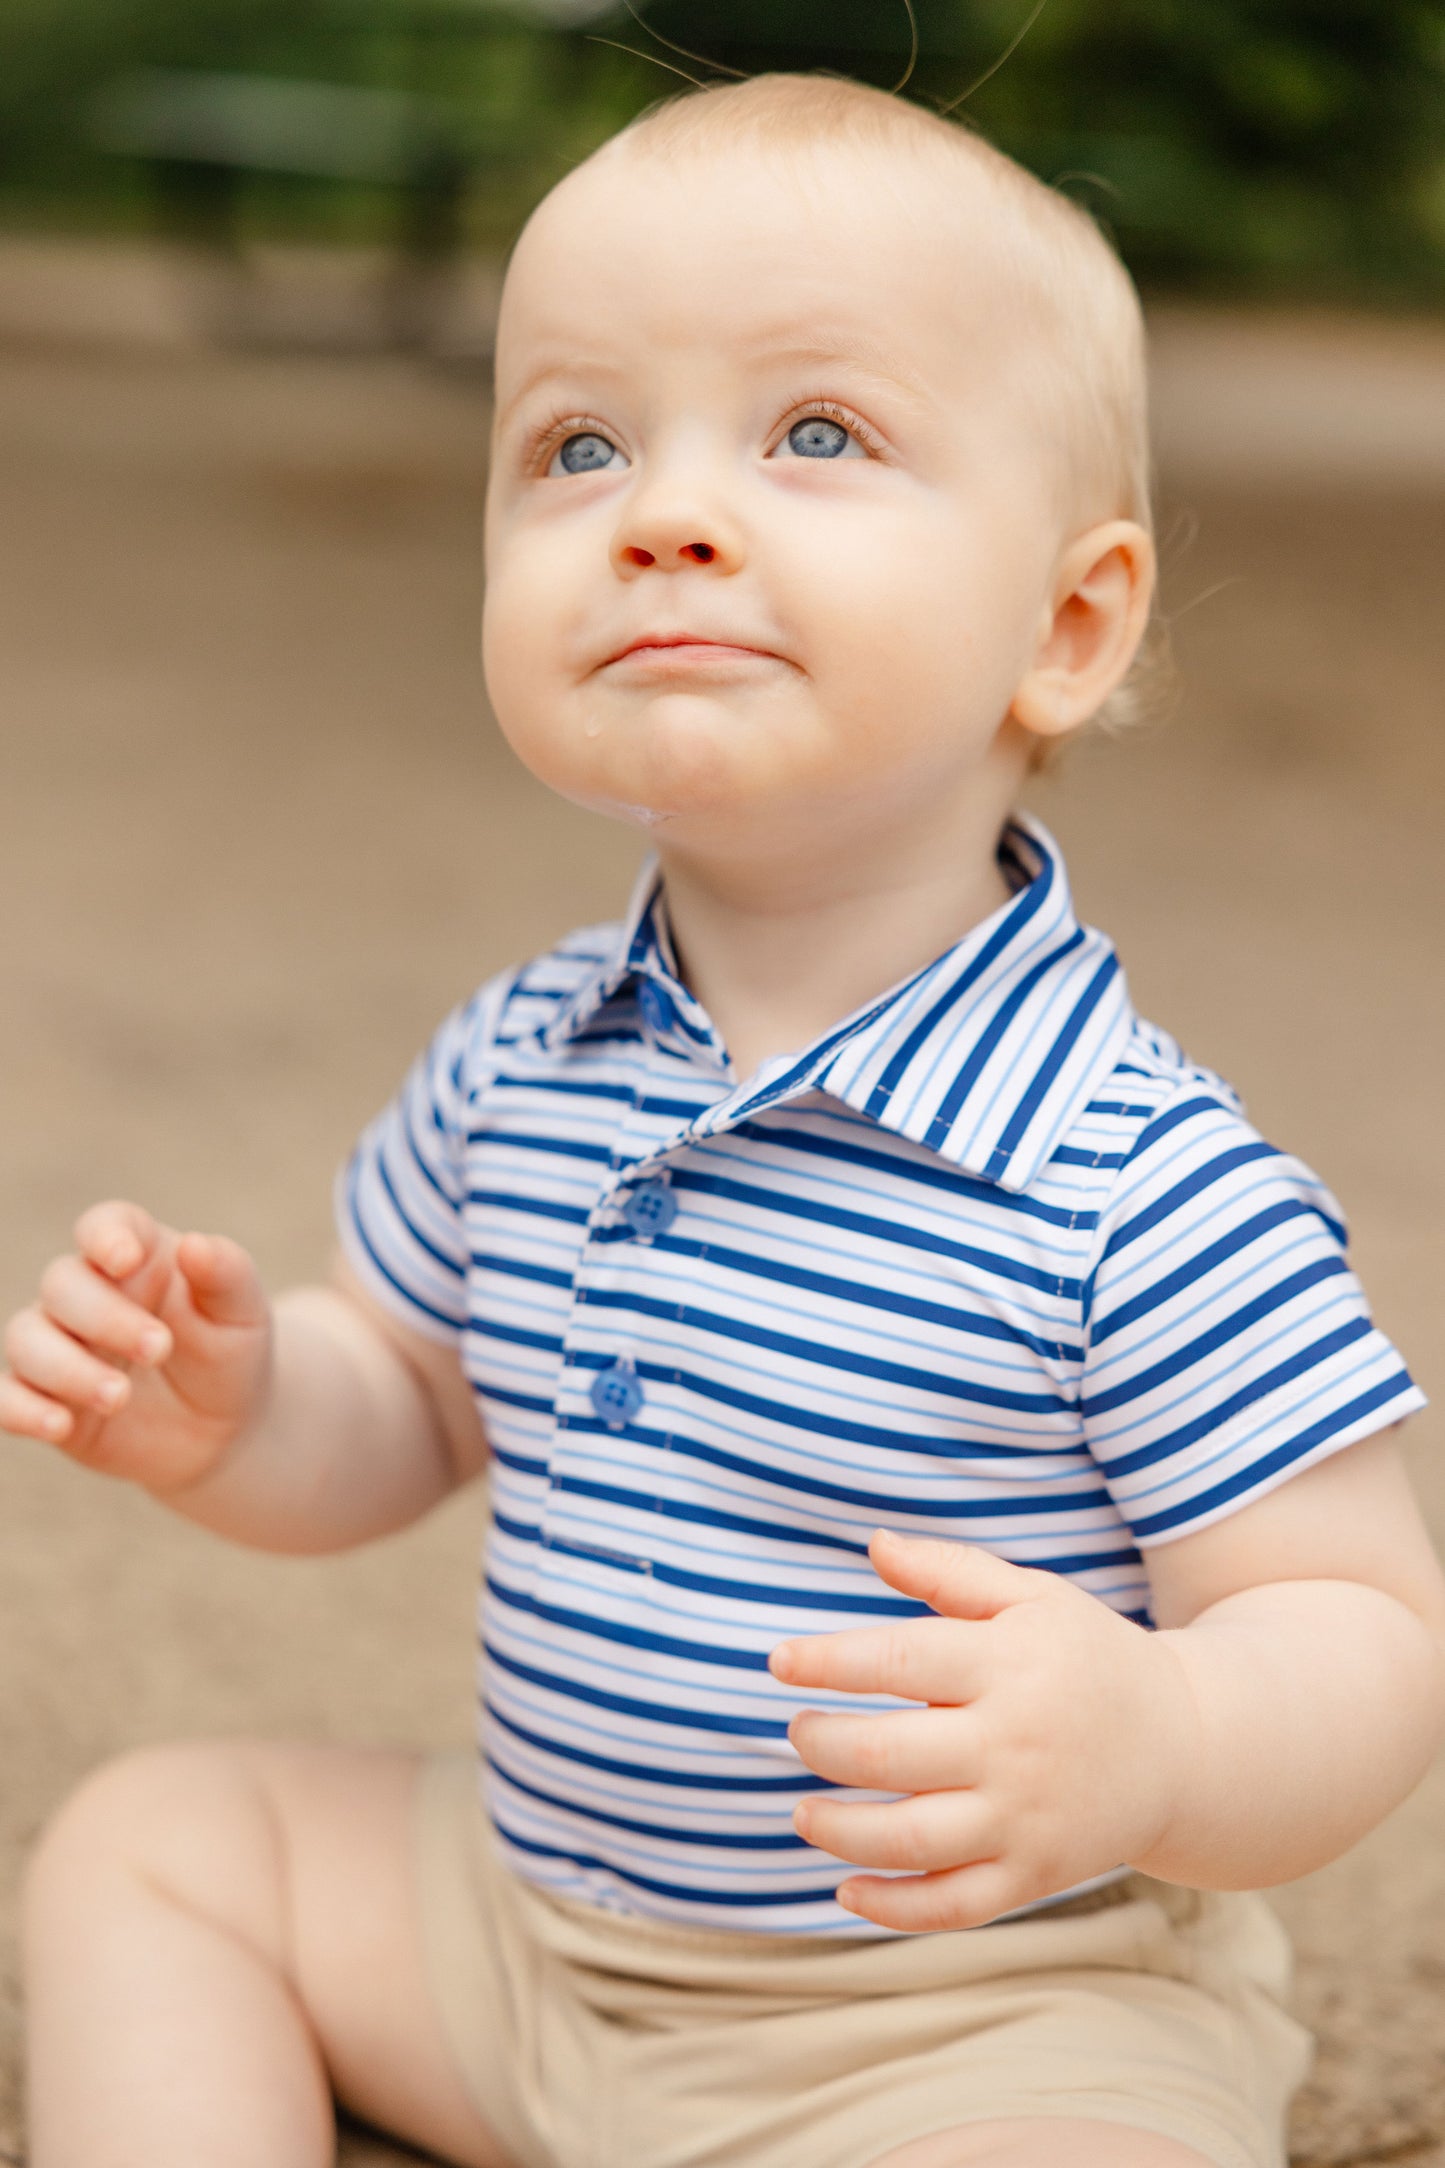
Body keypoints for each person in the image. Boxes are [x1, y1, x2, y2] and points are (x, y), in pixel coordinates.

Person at [2, 71, 1441, 2168]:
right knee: (156, 1840)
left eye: (817, 433)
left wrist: (1161, 1733)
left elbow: (1370, 1636)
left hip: (975, 2015)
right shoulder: (517, 1060)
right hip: (531, 1940)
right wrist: (238, 1412)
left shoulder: (1139, 1180)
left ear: (1069, 623)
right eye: (579, 443)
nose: (661, 512)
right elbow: (404, 1396)